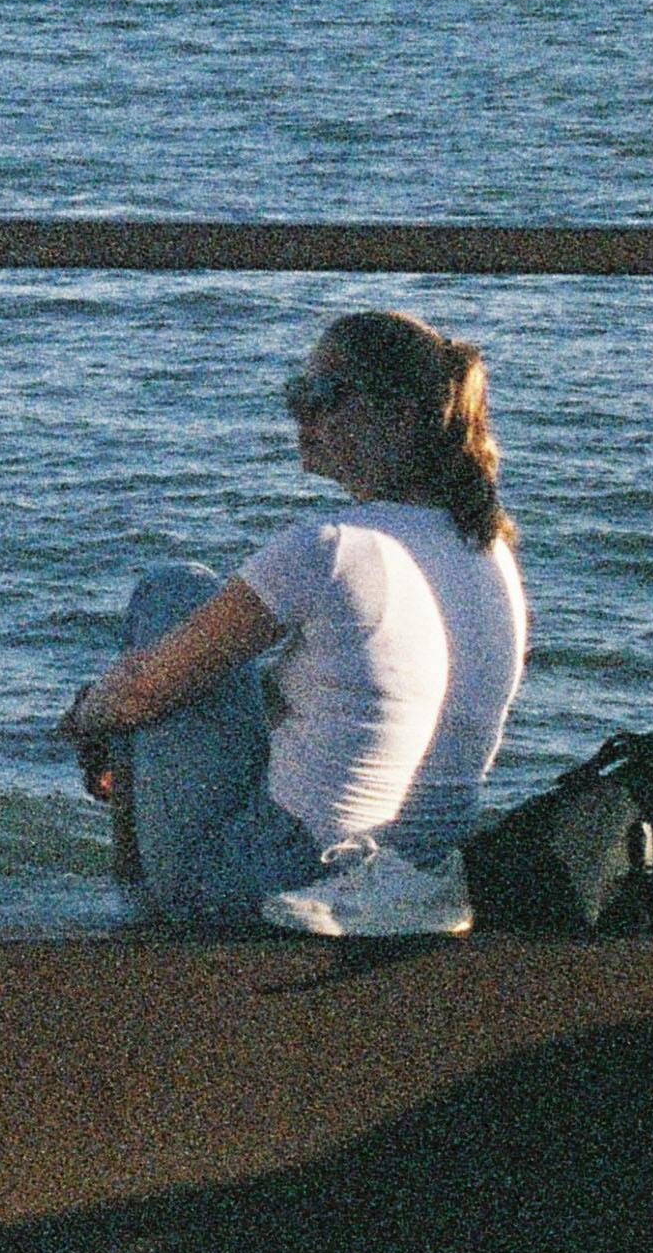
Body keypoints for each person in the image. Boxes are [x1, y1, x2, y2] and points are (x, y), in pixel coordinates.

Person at [64, 307, 529, 933]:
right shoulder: (490, 554)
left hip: (289, 876)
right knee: (222, 678)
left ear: (400, 415)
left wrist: (85, 719)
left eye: (322, 396)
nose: (300, 415)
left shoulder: (332, 548)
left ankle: (148, 910)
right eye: (296, 394)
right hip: (423, 874)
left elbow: (143, 693)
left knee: (173, 592)